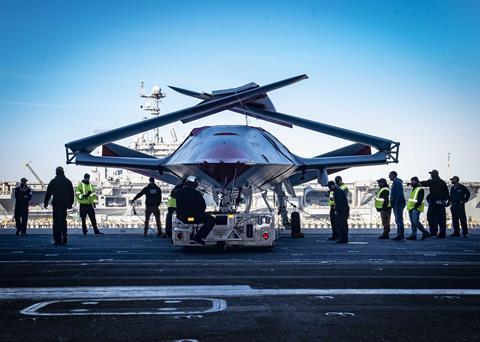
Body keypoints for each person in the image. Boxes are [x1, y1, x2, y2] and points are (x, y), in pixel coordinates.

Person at [175, 176, 215, 245]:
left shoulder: (179, 192)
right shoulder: (197, 193)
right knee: (212, 220)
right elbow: (203, 206)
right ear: (194, 186)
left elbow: (172, 193)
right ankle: (198, 237)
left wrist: (179, 185)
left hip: (183, 218)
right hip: (195, 217)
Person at [44, 167, 74, 245]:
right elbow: (71, 193)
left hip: (56, 204)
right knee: (63, 221)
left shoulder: (53, 181)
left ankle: (57, 240)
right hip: (64, 204)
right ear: (63, 172)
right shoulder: (68, 182)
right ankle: (64, 237)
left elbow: (48, 193)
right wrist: (70, 203)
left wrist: (45, 202)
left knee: (56, 222)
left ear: (56, 172)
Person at [420, 170, 450, 238]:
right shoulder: (442, 182)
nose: (431, 175)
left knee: (430, 217)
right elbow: (447, 193)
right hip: (441, 203)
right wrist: (444, 201)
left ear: (434, 174)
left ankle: (433, 232)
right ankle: (442, 233)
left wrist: (418, 182)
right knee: (441, 220)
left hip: (434, 203)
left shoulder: (433, 181)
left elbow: (425, 183)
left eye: (432, 174)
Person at [389, 171, 406, 241]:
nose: (389, 177)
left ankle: (400, 235)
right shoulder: (396, 182)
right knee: (398, 220)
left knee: (399, 220)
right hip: (397, 204)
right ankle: (399, 234)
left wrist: (396, 204)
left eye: (390, 175)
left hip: (398, 204)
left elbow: (399, 194)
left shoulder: (397, 183)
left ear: (393, 175)